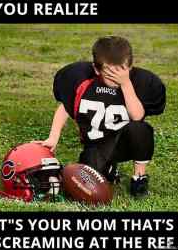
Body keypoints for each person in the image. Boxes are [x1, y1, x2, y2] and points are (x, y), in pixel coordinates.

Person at [34, 36, 166, 197]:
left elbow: (137, 116)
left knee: (140, 129)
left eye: (121, 71)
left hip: (123, 140)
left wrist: (126, 84)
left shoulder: (140, 81)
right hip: (95, 146)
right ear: (96, 69)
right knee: (84, 184)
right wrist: (53, 137)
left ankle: (139, 177)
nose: (115, 78)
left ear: (130, 67)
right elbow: (65, 108)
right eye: (110, 73)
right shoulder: (82, 80)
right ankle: (109, 169)